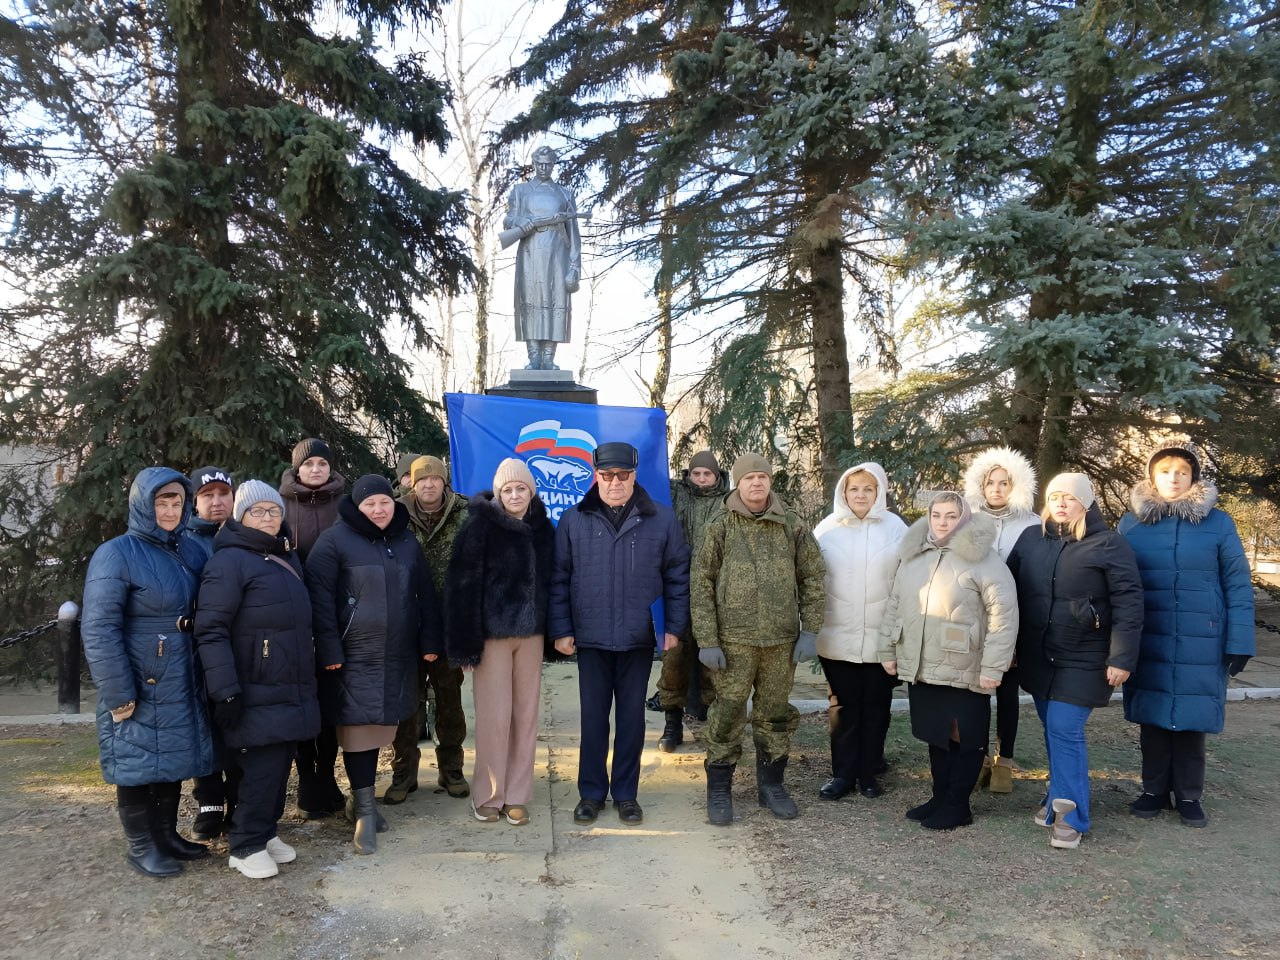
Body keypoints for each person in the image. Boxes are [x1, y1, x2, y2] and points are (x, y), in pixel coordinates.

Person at [81, 467, 215, 877]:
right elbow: (100, 628)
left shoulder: (190, 549)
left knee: (171, 756)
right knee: (138, 761)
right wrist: (119, 691)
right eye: (162, 502)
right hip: (143, 675)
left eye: (177, 502)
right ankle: (141, 846)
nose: (171, 511)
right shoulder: (116, 553)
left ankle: (166, 834)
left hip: (182, 672)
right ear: (143, 504)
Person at [550, 442, 690, 826]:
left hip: (637, 637)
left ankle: (626, 794)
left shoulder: (660, 520)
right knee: (593, 719)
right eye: (607, 476)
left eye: (622, 475)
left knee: (632, 719)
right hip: (591, 637)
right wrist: (561, 630)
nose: (615, 483)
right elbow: (559, 579)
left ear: (634, 476)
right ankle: (591, 794)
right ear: (595, 476)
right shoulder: (573, 520)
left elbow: (678, 577)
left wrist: (674, 628)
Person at [1118, 440, 1254, 828]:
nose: (1173, 478)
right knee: (1153, 718)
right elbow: (1119, 582)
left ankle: (1190, 795)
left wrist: (1240, 641)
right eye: (1165, 471)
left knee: (1193, 720)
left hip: (1203, 638)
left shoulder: (1218, 523)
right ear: (1152, 476)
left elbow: (1237, 583)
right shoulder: (1132, 524)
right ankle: (1153, 790)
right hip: (1152, 637)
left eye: (1182, 471)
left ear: (1193, 476)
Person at [306, 474, 442, 854]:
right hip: (353, 656)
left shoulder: (404, 539)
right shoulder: (335, 541)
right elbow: (317, 598)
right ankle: (366, 810)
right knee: (358, 731)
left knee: (383, 726)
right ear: (358, 506)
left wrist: (430, 638)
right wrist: (329, 649)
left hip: (397, 653)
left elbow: (424, 592)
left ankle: (360, 803)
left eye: (384, 502)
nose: (379, 510)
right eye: (370, 504)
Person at [1007, 473, 1144, 849]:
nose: (1062, 504)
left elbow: (1129, 604)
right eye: (1055, 497)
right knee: (1053, 728)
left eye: (1070, 497)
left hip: (1086, 656)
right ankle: (1056, 797)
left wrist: (1121, 657)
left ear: (1086, 502)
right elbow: (1009, 591)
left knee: (1065, 729)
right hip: (1038, 654)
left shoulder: (1108, 544)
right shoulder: (1031, 539)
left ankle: (1072, 816)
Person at [195, 480, 321, 878]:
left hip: (287, 682)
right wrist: (225, 689)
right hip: (252, 683)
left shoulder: (283, 556)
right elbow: (211, 629)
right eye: (258, 512)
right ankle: (245, 844)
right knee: (261, 766)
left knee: (280, 761)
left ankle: (264, 832)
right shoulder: (229, 562)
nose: (268, 519)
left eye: (274, 511)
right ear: (241, 516)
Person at [692, 453, 826, 824]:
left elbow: (813, 577)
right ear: (737, 482)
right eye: (749, 478)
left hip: (780, 643)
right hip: (733, 643)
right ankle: (719, 789)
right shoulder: (719, 524)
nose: (756, 484)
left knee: (774, 715)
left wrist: (810, 630)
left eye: (762, 477)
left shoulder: (792, 524)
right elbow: (700, 583)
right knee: (728, 712)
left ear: (770, 481)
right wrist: (707, 639)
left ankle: (771, 786)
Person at [879, 491, 1017, 830]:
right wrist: (888, 650)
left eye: (951, 516)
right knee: (936, 733)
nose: (943, 522)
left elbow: (1004, 617)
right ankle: (940, 795)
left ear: (965, 518)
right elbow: (895, 605)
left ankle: (959, 803)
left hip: (966, 663)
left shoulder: (985, 561)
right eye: (937, 515)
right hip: (925, 662)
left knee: (963, 735)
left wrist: (993, 667)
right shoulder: (914, 556)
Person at [444, 459, 555, 825]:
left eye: (521, 488)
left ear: (531, 491)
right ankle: (489, 794)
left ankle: (518, 795)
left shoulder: (544, 530)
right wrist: (464, 644)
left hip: (531, 637)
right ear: (498, 493)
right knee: (494, 719)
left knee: (524, 717)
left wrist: (557, 634)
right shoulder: (479, 528)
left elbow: (553, 584)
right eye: (507, 489)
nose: (514, 495)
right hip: (491, 638)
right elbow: (461, 588)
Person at [812, 462, 908, 801]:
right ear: (843, 492)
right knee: (843, 708)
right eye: (854, 489)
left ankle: (869, 773)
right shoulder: (826, 530)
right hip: (837, 636)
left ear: (879, 491)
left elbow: (908, 581)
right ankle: (843, 775)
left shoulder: (896, 529)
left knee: (876, 707)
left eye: (868, 489)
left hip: (882, 639)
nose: (861, 495)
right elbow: (811, 580)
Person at [388, 455, 471, 803]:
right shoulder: (393, 515)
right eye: (422, 480)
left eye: (435, 479)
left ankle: (451, 768)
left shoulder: (465, 514)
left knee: (450, 700)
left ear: (444, 482)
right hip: (406, 624)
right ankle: (404, 772)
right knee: (407, 702)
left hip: (450, 625)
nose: (428, 485)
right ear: (412, 483)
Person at [962, 446, 1039, 793]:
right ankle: (976, 759)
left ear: (1016, 484)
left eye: (1003, 482)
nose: (996, 488)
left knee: (1007, 694)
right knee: (976, 694)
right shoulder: (968, 521)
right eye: (989, 482)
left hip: (1017, 619)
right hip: (975, 619)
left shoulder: (1034, 524)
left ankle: (1004, 761)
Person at [278, 437, 346, 819]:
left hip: (337, 617)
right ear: (297, 469)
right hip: (294, 617)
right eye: (309, 464)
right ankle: (306, 777)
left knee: (330, 700)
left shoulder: (345, 504)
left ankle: (327, 774)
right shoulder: (280, 505)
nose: (316, 470)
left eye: (322, 463)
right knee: (303, 698)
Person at [654, 449, 727, 751]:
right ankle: (672, 726)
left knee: (714, 661)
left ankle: (713, 725)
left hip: (715, 591)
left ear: (716, 475)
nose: (700, 479)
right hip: (678, 588)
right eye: (695, 473)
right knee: (674, 659)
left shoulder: (728, 502)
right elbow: (650, 480)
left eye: (706, 474)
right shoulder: (676, 493)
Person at [182, 465, 240, 840]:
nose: (217, 502)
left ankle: (238, 797)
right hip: (194, 649)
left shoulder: (244, 534)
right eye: (208, 495)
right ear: (195, 501)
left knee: (236, 722)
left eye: (223, 494)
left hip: (239, 647)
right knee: (202, 724)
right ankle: (208, 797)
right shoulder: (183, 542)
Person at [504, 145, 582, 371]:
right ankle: (534, 356)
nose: (544, 168)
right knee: (531, 301)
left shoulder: (565, 194)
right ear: (533, 163)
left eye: (548, 164)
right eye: (540, 164)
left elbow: (574, 234)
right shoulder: (520, 191)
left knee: (554, 300)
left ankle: (548, 357)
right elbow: (508, 220)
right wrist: (519, 221)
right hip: (530, 256)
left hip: (558, 257)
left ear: (554, 164)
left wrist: (575, 266)